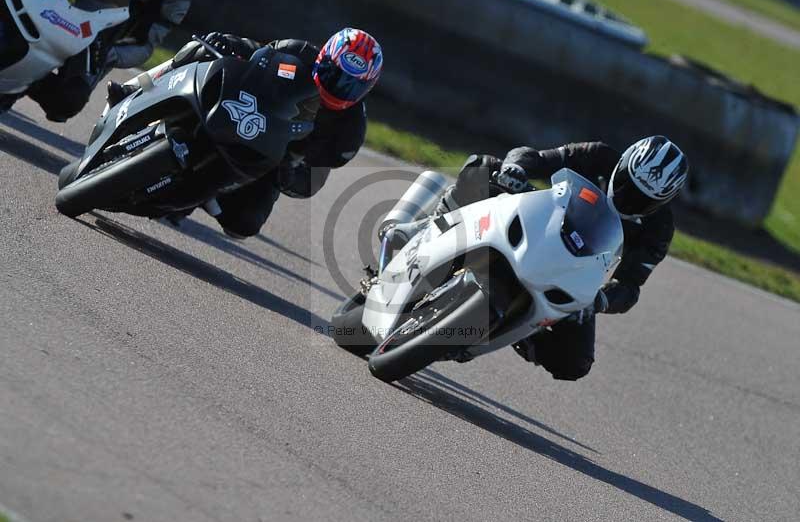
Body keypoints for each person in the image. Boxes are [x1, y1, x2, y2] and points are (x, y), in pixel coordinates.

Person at [437, 137, 689, 381]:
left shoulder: (659, 229)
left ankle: (518, 330)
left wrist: (598, 301)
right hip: (538, 224)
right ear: (622, 164)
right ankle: (431, 231)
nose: (627, 197)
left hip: (574, 274)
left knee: (575, 363)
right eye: (626, 183)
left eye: (643, 199)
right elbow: (537, 157)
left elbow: (630, 287)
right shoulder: (597, 155)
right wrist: (516, 169)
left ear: (662, 202)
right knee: (484, 167)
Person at [109, 29, 383, 238]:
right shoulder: (296, 52)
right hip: (237, 109)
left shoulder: (348, 134)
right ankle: (134, 90)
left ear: (365, 90)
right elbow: (257, 56)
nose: (336, 87)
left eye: (349, 85)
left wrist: (289, 171)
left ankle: (203, 194)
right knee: (198, 48)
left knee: (244, 224)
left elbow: (311, 181)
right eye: (332, 74)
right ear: (323, 57)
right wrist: (228, 43)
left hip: (269, 156)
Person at [22, 0, 191, 122]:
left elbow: (145, 45)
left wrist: (109, 54)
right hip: (51, 2)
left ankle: (19, 84)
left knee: (68, 100)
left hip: (94, 40)